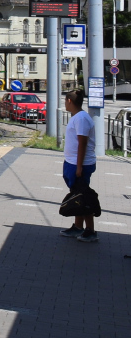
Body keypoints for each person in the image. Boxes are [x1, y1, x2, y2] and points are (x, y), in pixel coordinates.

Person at [59, 88, 98, 242]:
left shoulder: (81, 119)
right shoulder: (77, 117)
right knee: (78, 196)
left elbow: (83, 143)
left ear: (69, 101)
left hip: (79, 164)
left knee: (84, 197)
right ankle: (78, 227)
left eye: (65, 101)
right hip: (74, 163)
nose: (65, 104)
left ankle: (90, 230)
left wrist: (79, 167)